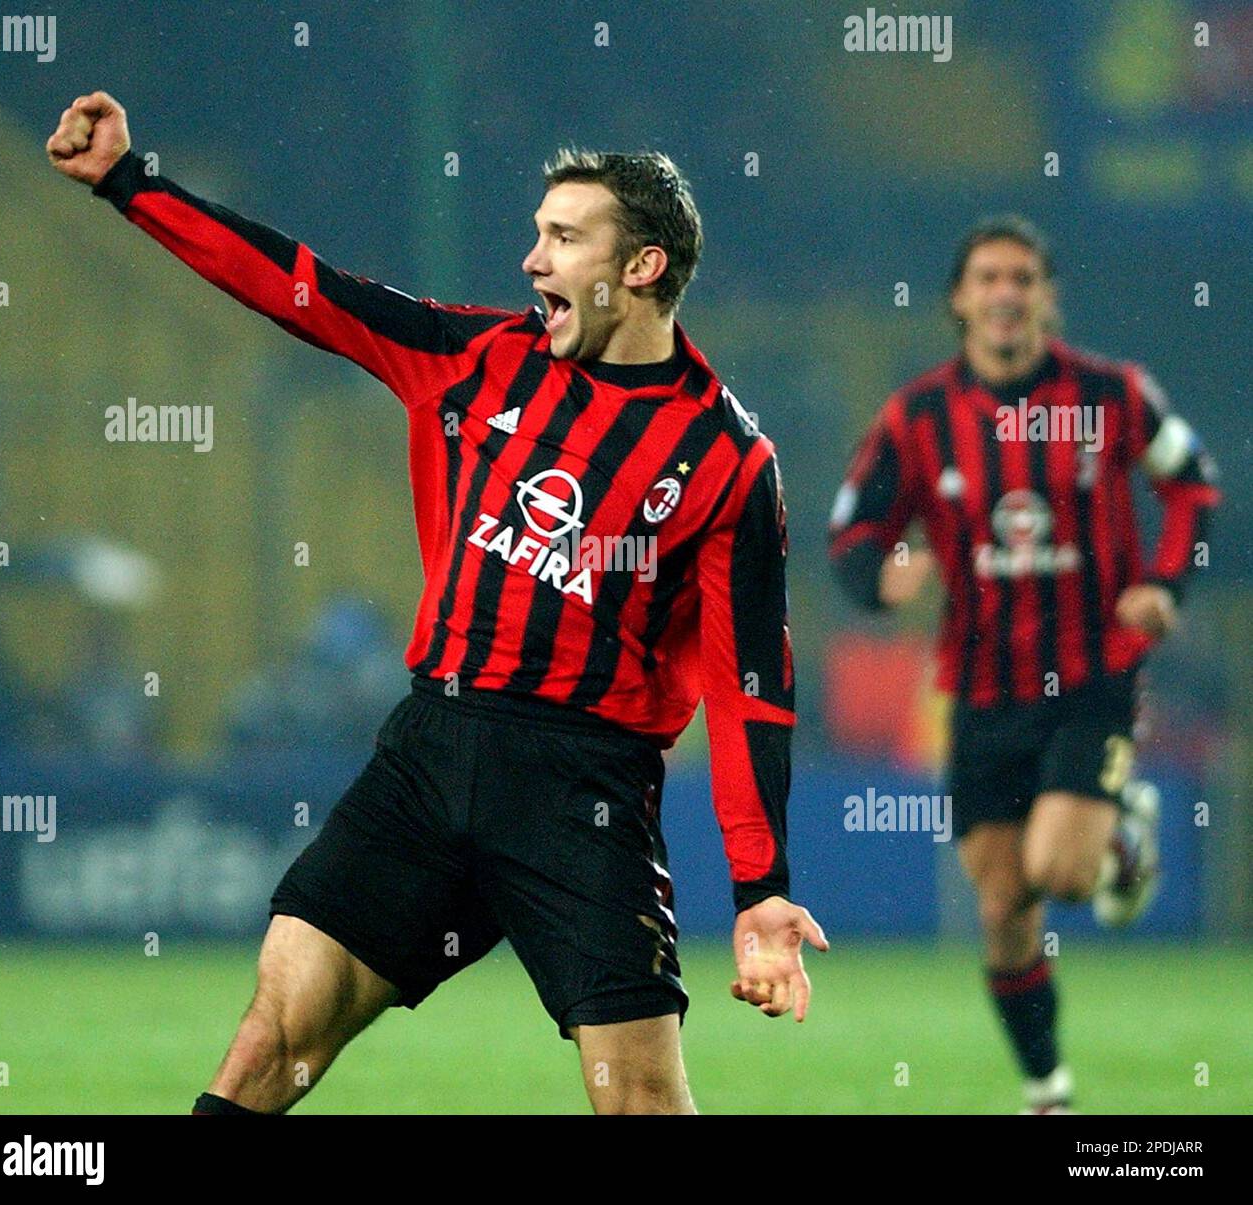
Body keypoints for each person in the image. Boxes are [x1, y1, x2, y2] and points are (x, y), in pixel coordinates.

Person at [47, 91, 826, 1115]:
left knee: (637, 1097)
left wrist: (760, 885)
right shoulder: (472, 357)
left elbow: (750, 689)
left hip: (579, 788)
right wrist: (127, 180)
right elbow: (300, 289)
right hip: (429, 748)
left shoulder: (728, 460)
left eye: (561, 237)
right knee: (271, 1039)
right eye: (534, 234)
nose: (531, 261)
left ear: (640, 268)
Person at [828, 216, 1219, 1113]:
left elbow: (1193, 481)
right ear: (960, 300)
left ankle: (1120, 834)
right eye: (989, 277)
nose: (1006, 292)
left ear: (1048, 296)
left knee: (1063, 871)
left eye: (1024, 277)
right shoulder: (917, 416)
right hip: (979, 687)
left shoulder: (1113, 394)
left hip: (1092, 675)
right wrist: (884, 581)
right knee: (1003, 906)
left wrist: (1167, 584)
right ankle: (1048, 1088)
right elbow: (852, 531)